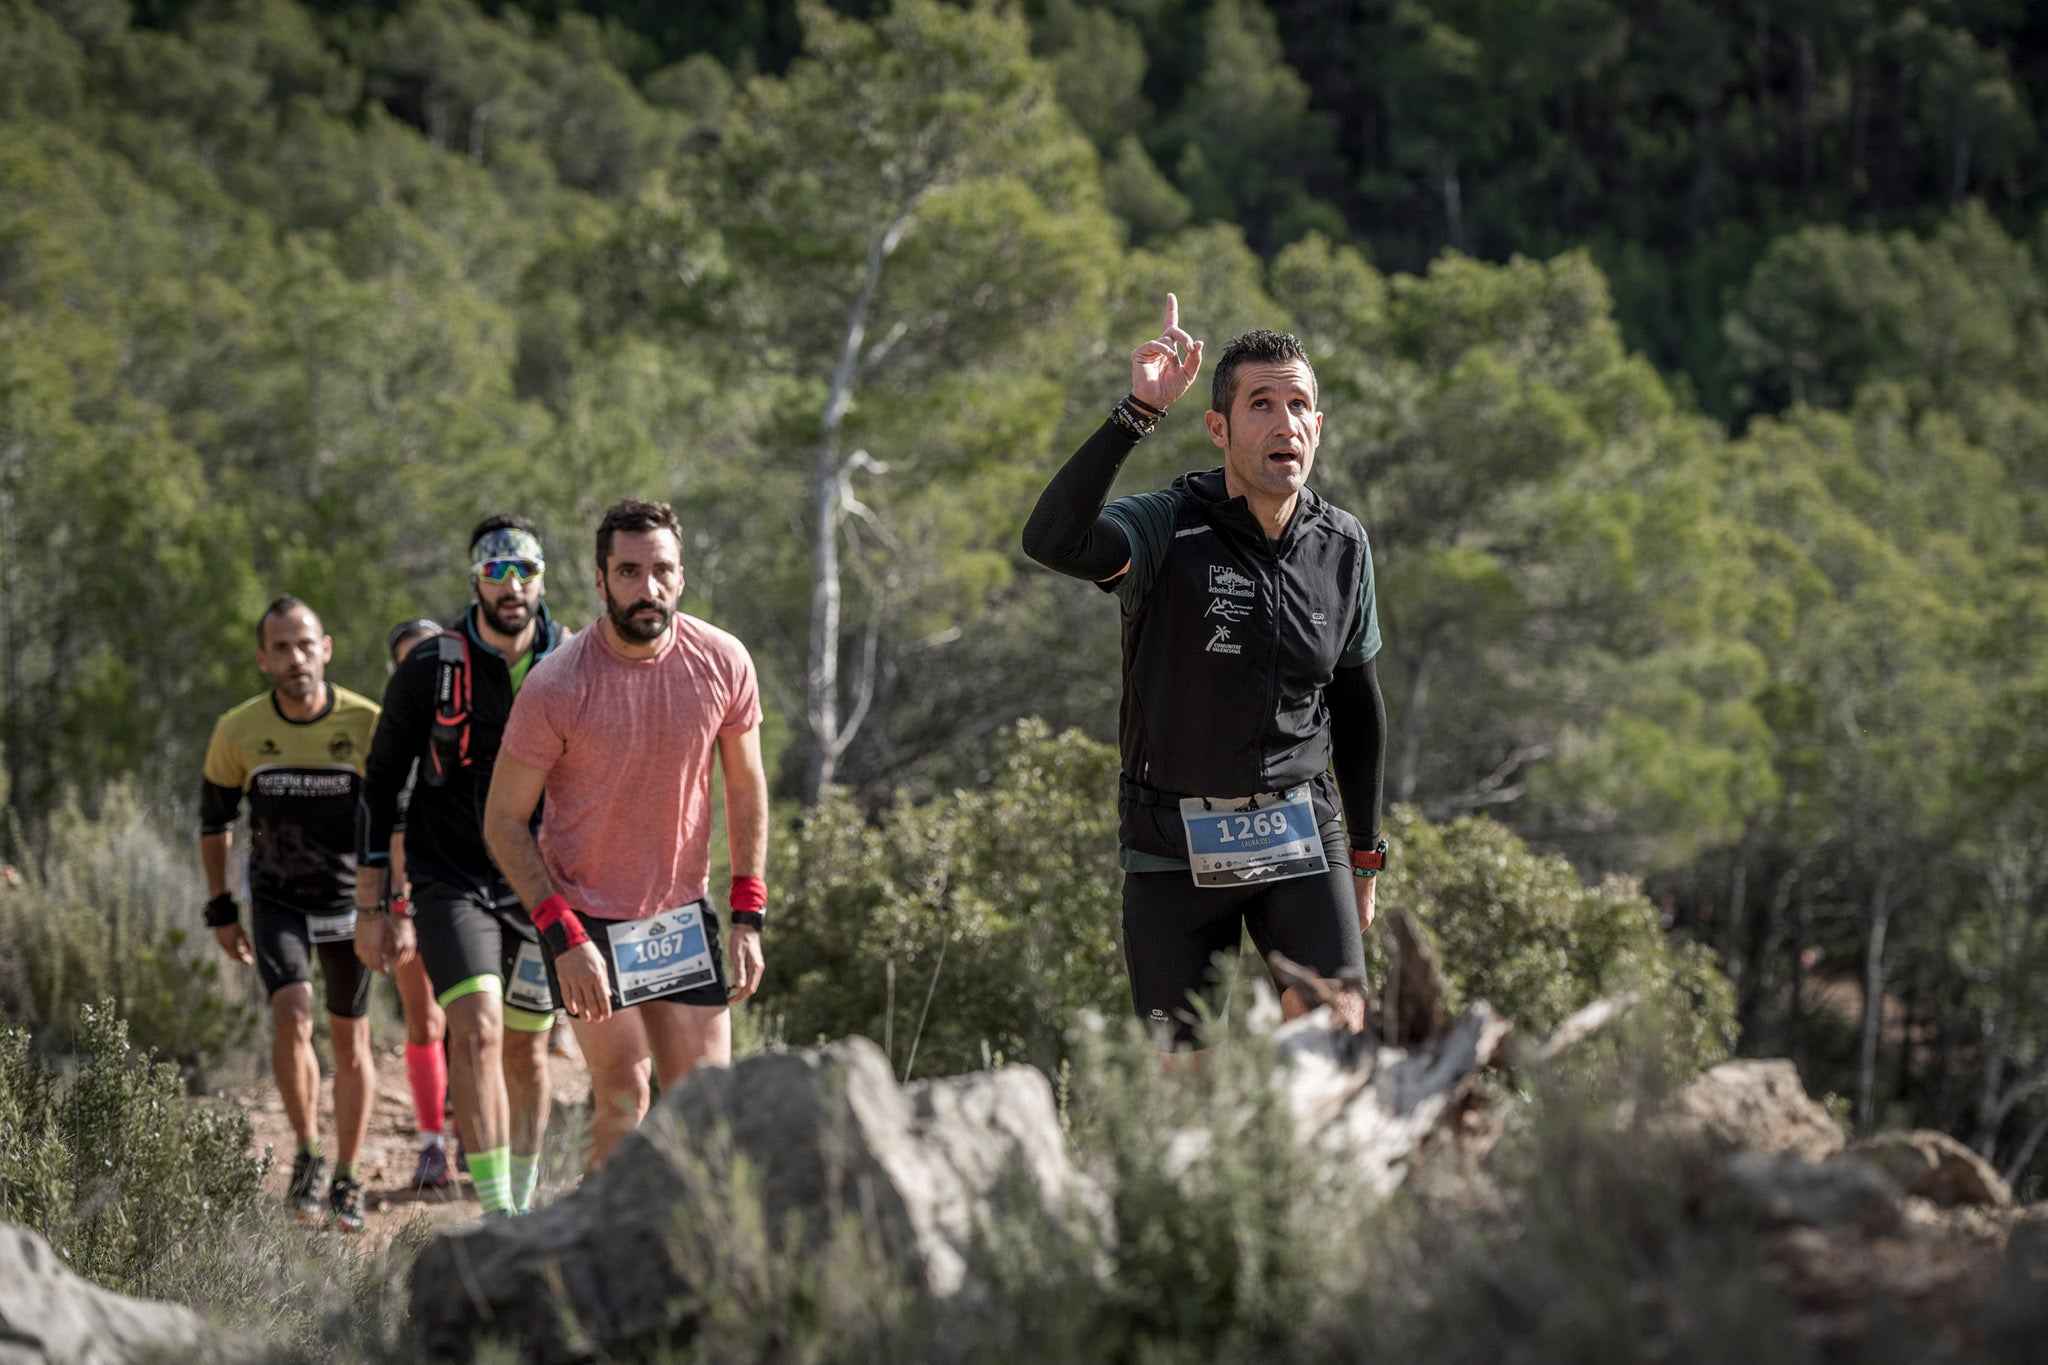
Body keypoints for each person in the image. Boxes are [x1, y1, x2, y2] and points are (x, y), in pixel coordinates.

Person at [1021, 295, 1389, 1049]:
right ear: (1219, 427)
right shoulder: (1168, 527)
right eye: (1261, 404)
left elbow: (1357, 706)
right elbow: (1052, 539)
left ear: (1317, 427)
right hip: (1171, 841)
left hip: (1297, 829)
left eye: (1298, 405)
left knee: (1341, 1035)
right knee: (1180, 1076)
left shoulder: (1342, 546)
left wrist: (1364, 854)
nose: (1284, 422)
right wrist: (1135, 411)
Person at [484, 498, 769, 1171]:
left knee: (704, 1108)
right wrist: (561, 934)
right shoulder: (559, 684)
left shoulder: (722, 660)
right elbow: (503, 819)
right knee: (624, 1095)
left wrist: (748, 914)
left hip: (678, 913)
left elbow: (747, 787)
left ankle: (688, 1262)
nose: (649, 589)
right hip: (587, 920)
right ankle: (596, 1258)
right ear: (600, 579)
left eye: (662, 570)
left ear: (682, 574)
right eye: (630, 571)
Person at [356, 519, 568, 1218]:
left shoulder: (570, 658)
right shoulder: (429, 667)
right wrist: (371, 903)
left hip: (539, 879)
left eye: (524, 571)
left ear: (543, 576)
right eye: (496, 570)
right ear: (474, 577)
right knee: (476, 1029)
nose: (512, 585)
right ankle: (498, 1214)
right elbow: (381, 780)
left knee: (528, 1053)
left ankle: (526, 1202)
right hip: (450, 876)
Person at [201, 596, 382, 1229]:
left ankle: (348, 1177)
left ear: (326, 648)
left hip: (350, 905)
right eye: (281, 647)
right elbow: (215, 819)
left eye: (306, 645)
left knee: (351, 1040)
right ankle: (306, 1154)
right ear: (263, 658)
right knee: (291, 1014)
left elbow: (395, 820)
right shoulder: (239, 729)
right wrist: (221, 906)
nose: (296, 658)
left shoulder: (366, 723)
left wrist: (391, 905)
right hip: (277, 899)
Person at [382, 617, 453, 1190]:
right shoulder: (386, 736)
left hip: (467, 893)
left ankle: (479, 1137)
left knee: (479, 1020)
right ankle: (432, 1144)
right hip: (407, 899)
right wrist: (389, 903)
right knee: (425, 1018)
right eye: (409, 662)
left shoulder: (476, 724)